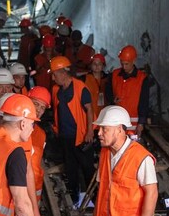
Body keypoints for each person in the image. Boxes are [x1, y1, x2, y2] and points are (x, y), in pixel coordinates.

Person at [50, 56, 95, 199]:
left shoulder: (81, 88)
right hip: (65, 136)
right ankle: (74, 199)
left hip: (81, 136)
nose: (52, 78)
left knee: (87, 168)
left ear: (63, 73)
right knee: (71, 169)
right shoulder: (56, 89)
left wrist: (89, 131)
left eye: (54, 74)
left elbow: (89, 109)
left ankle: (94, 197)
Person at [105, 45, 149, 137]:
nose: (124, 67)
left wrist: (141, 123)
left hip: (133, 126)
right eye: (122, 63)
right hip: (117, 124)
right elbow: (107, 91)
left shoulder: (142, 79)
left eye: (127, 64)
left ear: (133, 61)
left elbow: (144, 102)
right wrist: (112, 99)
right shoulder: (114, 75)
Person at [84, 53, 108, 121]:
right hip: (89, 115)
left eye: (99, 64)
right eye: (94, 64)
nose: (97, 66)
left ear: (103, 66)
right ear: (91, 65)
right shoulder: (84, 79)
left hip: (105, 115)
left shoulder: (108, 79)